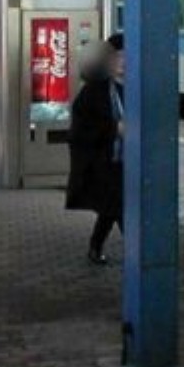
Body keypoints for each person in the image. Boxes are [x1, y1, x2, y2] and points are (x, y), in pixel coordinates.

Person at [66, 34, 125, 265]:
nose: (123, 62)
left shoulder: (140, 89)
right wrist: (114, 128)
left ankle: (96, 245)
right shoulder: (93, 92)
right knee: (120, 207)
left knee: (112, 207)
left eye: (128, 57)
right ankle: (139, 254)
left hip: (132, 160)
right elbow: (82, 129)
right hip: (106, 161)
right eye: (118, 57)